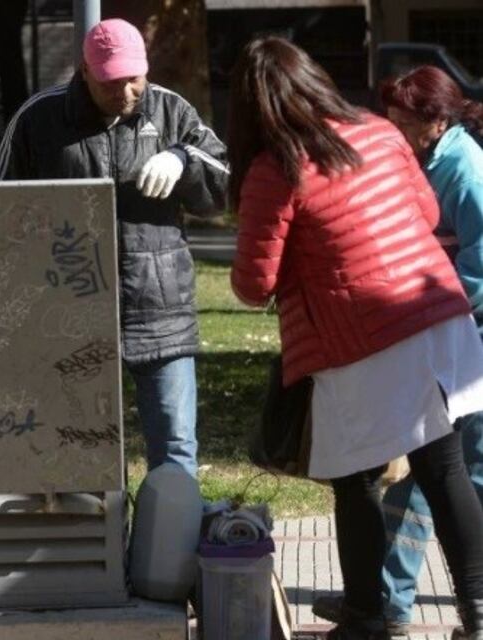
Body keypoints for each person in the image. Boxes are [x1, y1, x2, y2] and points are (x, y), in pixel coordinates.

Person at [229, 37, 483, 640]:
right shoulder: (375, 130)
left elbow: (252, 284)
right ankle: (479, 611)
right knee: (444, 467)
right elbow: (423, 214)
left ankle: (368, 615)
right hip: (436, 314)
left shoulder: (276, 167)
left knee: (357, 479)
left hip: (363, 337)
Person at [0, 18, 228, 476]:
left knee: (176, 448)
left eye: (134, 80)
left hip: (160, 309)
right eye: (111, 82)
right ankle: (94, 544)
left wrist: (183, 159)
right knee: (75, 450)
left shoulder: (172, 111)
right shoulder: (38, 118)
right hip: (65, 313)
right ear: (84, 71)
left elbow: (222, 185)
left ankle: (167, 544)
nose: (125, 93)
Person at [313, 65, 483, 636]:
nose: (393, 129)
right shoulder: (425, 158)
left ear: (435, 122)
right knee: (437, 471)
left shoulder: (464, 168)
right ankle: (392, 600)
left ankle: (392, 602)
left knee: (444, 471)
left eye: (403, 121)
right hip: (433, 331)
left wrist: (425, 304)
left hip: (460, 332)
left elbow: (479, 262)